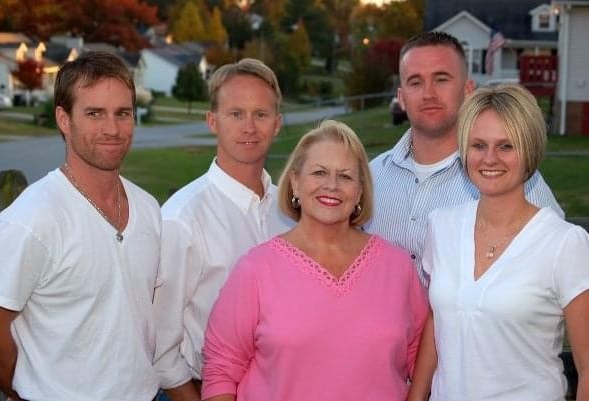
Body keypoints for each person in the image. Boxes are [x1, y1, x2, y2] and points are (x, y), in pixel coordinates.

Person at [201, 120, 429, 401]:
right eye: (319, 172)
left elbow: (423, 357)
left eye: (345, 176)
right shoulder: (256, 269)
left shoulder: (398, 268)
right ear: (295, 182)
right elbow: (221, 369)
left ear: (360, 190)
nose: (331, 185)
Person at [0, 51, 161, 401]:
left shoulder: (149, 209)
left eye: (122, 113)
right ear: (64, 119)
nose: (112, 129)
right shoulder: (32, 219)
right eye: (94, 113)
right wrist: (20, 391)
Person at [406, 84, 589, 401]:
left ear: (529, 149)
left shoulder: (564, 244)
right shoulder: (441, 226)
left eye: (506, 146)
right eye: (478, 145)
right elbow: (439, 320)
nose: (490, 158)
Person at [364, 31, 563, 287]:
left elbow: (560, 265)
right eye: (415, 82)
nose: (428, 93)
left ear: (468, 89)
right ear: (401, 98)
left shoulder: (508, 179)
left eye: (441, 79)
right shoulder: (371, 177)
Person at [153, 58, 292, 401]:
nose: (249, 127)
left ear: (277, 124)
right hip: (203, 390)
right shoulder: (182, 219)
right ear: (212, 121)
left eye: (261, 114)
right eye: (235, 114)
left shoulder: (291, 211)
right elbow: (158, 345)